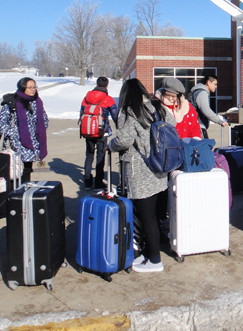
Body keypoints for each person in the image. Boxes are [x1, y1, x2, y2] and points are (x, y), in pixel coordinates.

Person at [107, 79, 175, 273]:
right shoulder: (156, 107)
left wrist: (110, 145)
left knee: (146, 217)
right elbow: (173, 123)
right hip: (160, 166)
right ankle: (148, 253)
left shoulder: (130, 111)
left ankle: (154, 259)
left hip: (140, 170)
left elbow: (124, 140)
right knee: (153, 215)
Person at [0, 77, 49, 183]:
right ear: (22, 88)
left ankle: (25, 190)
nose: (33, 90)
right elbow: (2, 123)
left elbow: (44, 118)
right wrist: (12, 133)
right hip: (16, 143)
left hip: (32, 142)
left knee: (27, 170)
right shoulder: (12, 102)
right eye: (29, 87)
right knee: (15, 172)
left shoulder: (37, 102)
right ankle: (15, 190)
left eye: (34, 87)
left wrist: (41, 129)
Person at [80, 76, 118, 190]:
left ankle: (87, 182)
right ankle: (98, 183)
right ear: (107, 86)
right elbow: (115, 115)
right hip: (102, 131)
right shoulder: (108, 99)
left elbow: (82, 113)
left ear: (96, 84)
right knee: (100, 157)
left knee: (89, 156)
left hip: (88, 131)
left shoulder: (86, 98)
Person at [189, 74, 228, 138]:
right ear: (208, 83)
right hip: (198, 127)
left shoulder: (198, 92)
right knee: (204, 144)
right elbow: (206, 110)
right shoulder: (202, 92)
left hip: (195, 126)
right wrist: (220, 121)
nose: (216, 86)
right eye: (215, 84)